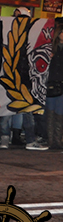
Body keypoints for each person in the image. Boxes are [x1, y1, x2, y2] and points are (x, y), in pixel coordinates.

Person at [46, 17, 63, 149]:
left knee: (59, 113)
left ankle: (57, 140)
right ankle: (51, 141)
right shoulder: (51, 48)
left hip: (60, 82)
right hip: (51, 82)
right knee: (50, 113)